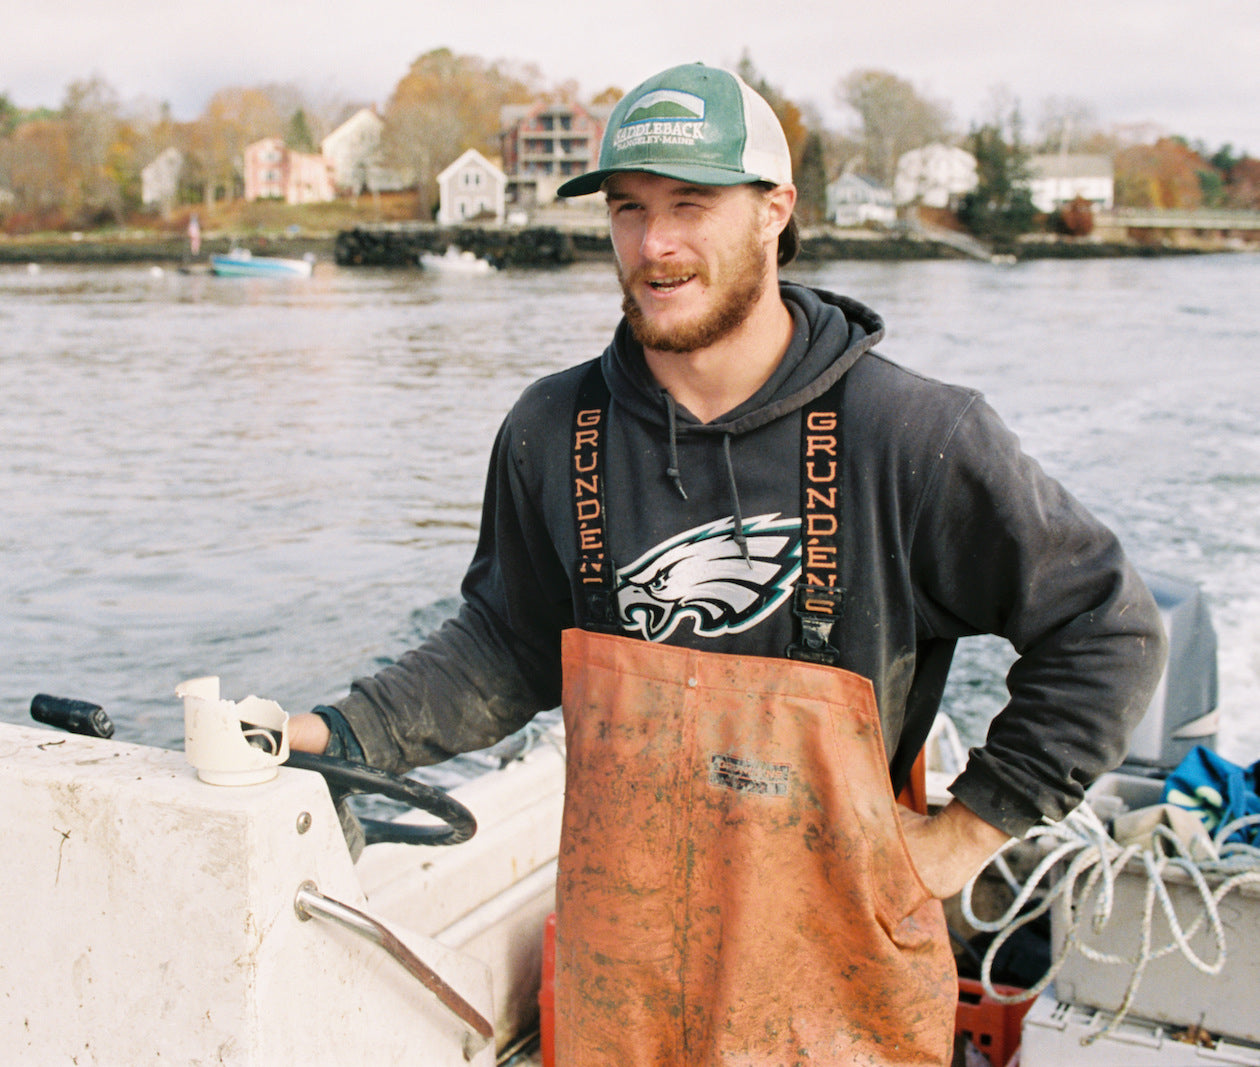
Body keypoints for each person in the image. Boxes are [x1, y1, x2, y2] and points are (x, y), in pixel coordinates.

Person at [290, 63, 1166, 1065]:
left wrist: (963, 835)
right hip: (615, 996)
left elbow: (1108, 627)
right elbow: (505, 645)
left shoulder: (915, 437)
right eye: (630, 209)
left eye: (691, 205)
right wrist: (336, 732)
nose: (655, 246)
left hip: (838, 1003)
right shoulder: (550, 429)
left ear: (774, 211)